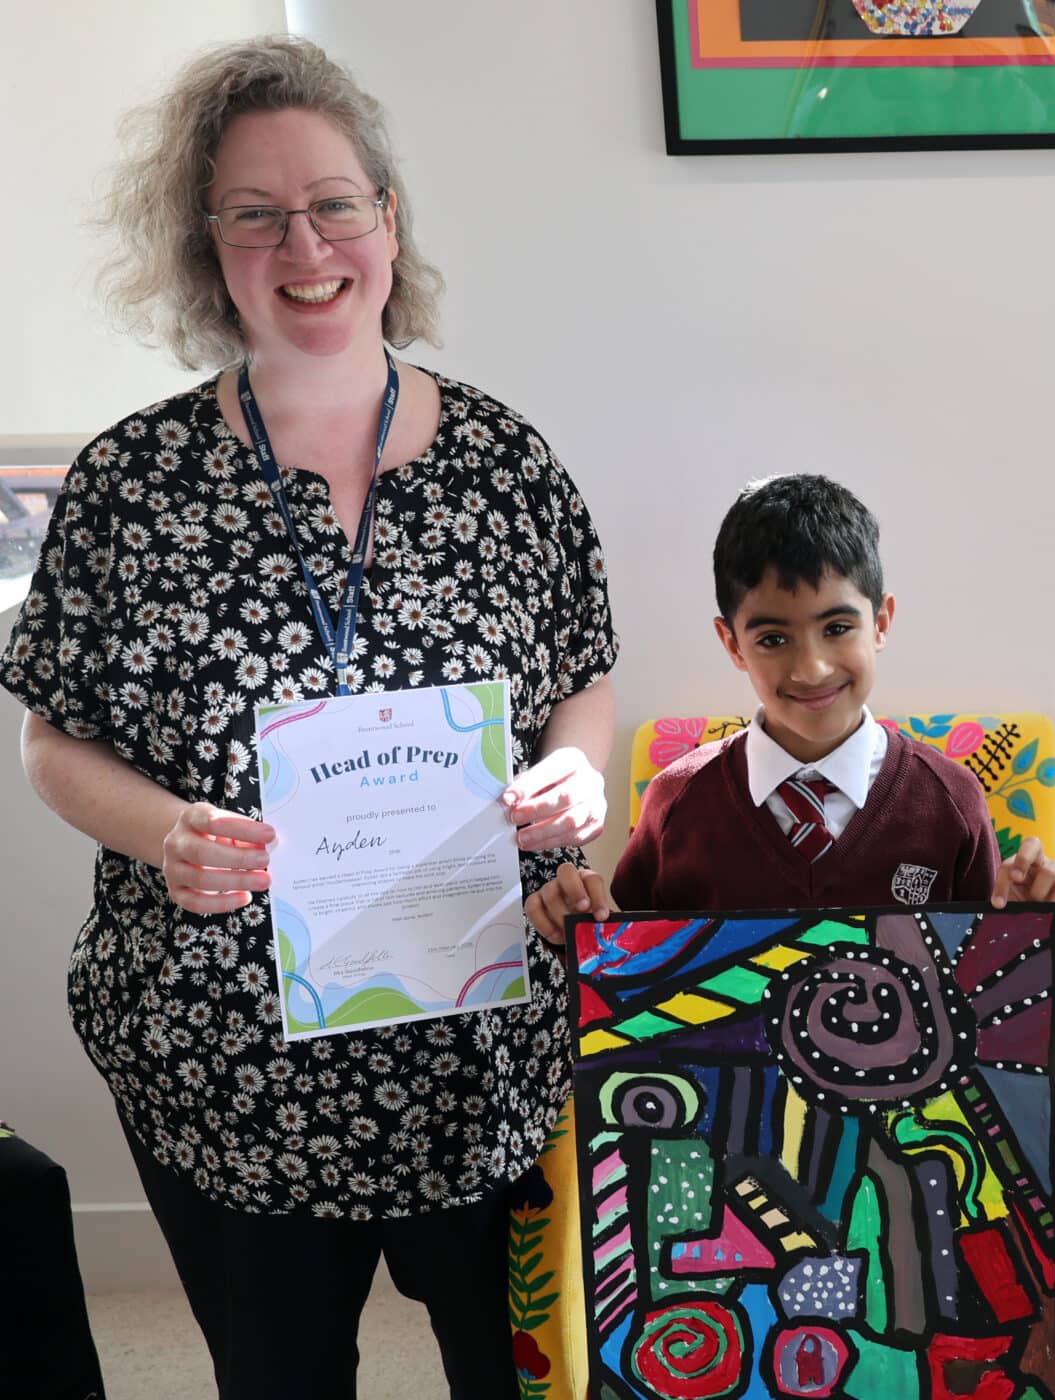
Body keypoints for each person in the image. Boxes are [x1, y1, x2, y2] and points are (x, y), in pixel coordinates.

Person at [3, 36, 618, 1399]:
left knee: (517, 1373)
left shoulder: (509, 465)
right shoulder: (131, 481)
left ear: (388, 218)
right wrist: (163, 830)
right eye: (256, 214)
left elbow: (583, 673)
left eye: (336, 203)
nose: (306, 246)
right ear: (205, 247)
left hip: (483, 1043)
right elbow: (52, 735)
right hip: (227, 1061)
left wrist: (579, 774)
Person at [524, 473, 1055, 939]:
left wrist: (1028, 922)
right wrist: (579, 926)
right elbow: (628, 971)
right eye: (773, 639)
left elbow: (985, 982)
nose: (811, 668)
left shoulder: (950, 800)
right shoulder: (677, 802)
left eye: (837, 628)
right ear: (732, 644)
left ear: (881, 623)